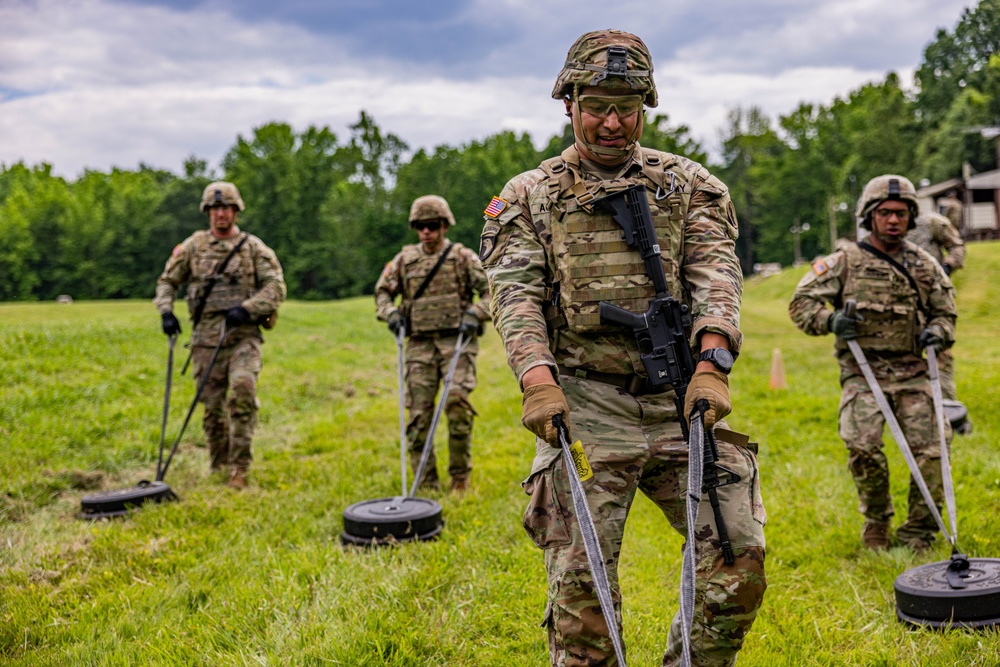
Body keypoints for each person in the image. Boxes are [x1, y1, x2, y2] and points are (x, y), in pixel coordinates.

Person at [481, 30, 766, 667]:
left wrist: (714, 362)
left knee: (736, 563)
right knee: (583, 602)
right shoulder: (530, 195)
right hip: (586, 405)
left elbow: (716, 271)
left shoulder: (688, 185)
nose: (613, 123)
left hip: (677, 399)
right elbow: (516, 295)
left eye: (627, 108)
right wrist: (537, 380)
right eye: (597, 107)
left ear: (646, 107)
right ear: (569, 104)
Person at [789, 175, 957, 552]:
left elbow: (946, 312)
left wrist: (938, 331)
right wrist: (831, 321)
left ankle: (919, 531)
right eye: (885, 213)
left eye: (901, 213)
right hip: (864, 374)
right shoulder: (845, 261)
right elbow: (801, 303)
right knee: (862, 446)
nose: (894, 220)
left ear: (912, 217)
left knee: (933, 451)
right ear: (869, 216)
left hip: (914, 373)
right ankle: (877, 521)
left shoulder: (925, 265)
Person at [154, 181, 286, 489]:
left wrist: (250, 307)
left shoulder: (254, 248)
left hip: (243, 335)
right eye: (215, 209)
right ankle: (219, 463)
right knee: (212, 407)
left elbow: (276, 287)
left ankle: (240, 467)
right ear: (207, 212)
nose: (221, 214)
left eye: (226, 208)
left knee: (242, 391)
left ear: (236, 211)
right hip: (205, 339)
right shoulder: (193, 247)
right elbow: (167, 281)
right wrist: (166, 311)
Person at [375, 195, 491, 493]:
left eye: (432, 225)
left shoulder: (462, 257)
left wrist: (476, 313)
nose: (426, 231)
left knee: (456, 405)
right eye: (421, 226)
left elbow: (493, 291)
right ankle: (424, 482)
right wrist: (391, 315)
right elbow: (382, 294)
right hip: (419, 346)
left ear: (444, 225)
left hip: (457, 342)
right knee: (418, 415)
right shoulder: (404, 260)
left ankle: (459, 478)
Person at [908, 207, 966, 405]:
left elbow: (957, 246)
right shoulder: (886, 227)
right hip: (902, 302)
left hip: (934, 299)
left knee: (941, 353)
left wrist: (947, 266)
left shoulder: (932, 223)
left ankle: (948, 408)